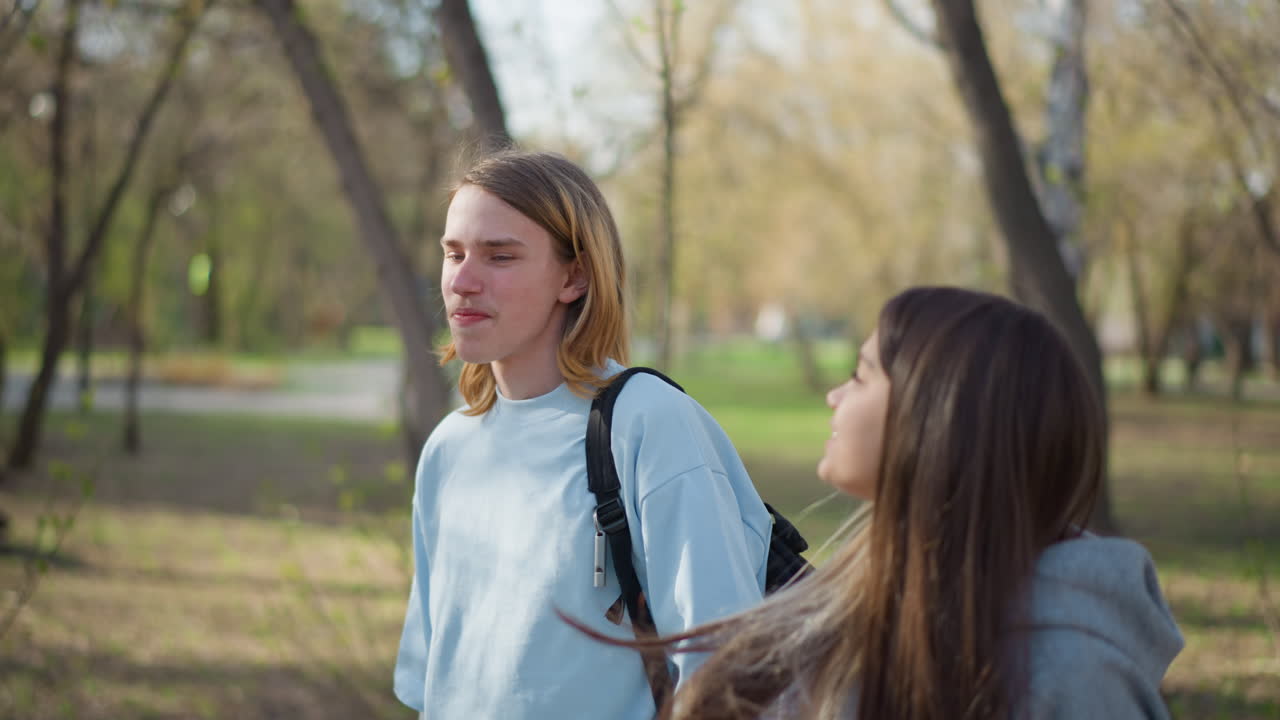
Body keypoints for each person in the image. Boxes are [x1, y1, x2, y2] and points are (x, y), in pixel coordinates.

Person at [649, 286, 1184, 720]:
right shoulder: (864, 600)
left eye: (860, 375)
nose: (835, 395)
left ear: (937, 418)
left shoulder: (1073, 675)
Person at [393, 149, 772, 719]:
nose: (463, 282)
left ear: (574, 276)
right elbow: (433, 685)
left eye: (499, 256)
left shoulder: (647, 424)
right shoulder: (449, 447)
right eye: (453, 254)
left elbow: (723, 674)